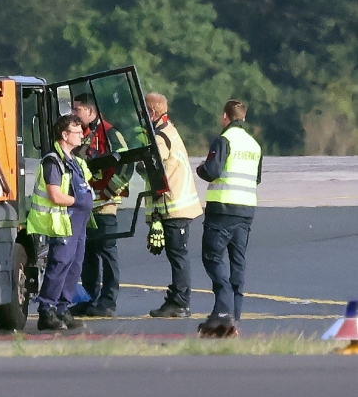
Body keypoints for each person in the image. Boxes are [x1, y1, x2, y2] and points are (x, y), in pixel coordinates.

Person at [195, 100, 262, 338]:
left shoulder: (225, 140)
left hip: (223, 208)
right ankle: (234, 316)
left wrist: (200, 168)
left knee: (212, 257)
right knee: (237, 263)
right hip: (246, 210)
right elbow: (256, 179)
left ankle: (223, 309)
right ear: (243, 118)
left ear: (225, 116)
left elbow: (212, 171)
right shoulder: (254, 145)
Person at [25, 114, 94, 331]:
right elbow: (55, 195)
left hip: (79, 221)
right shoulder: (53, 161)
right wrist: (79, 201)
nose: (82, 135)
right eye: (77, 132)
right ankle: (47, 311)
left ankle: (63, 309)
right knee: (60, 264)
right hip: (63, 220)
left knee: (75, 265)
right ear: (64, 135)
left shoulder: (75, 161)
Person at [69, 93, 131, 318]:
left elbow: (127, 165)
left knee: (107, 254)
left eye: (78, 110)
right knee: (87, 255)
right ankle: (89, 298)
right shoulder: (80, 135)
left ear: (90, 111)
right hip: (85, 207)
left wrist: (109, 190)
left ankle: (108, 301)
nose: (74, 114)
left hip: (105, 206)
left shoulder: (110, 133)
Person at [143, 93, 205, 318]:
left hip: (174, 207)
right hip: (176, 206)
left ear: (152, 113)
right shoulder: (169, 130)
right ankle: (179, 298)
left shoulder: (160, 137)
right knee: (177, 254)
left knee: (178, 255)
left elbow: (155, 170)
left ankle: (180, 301)